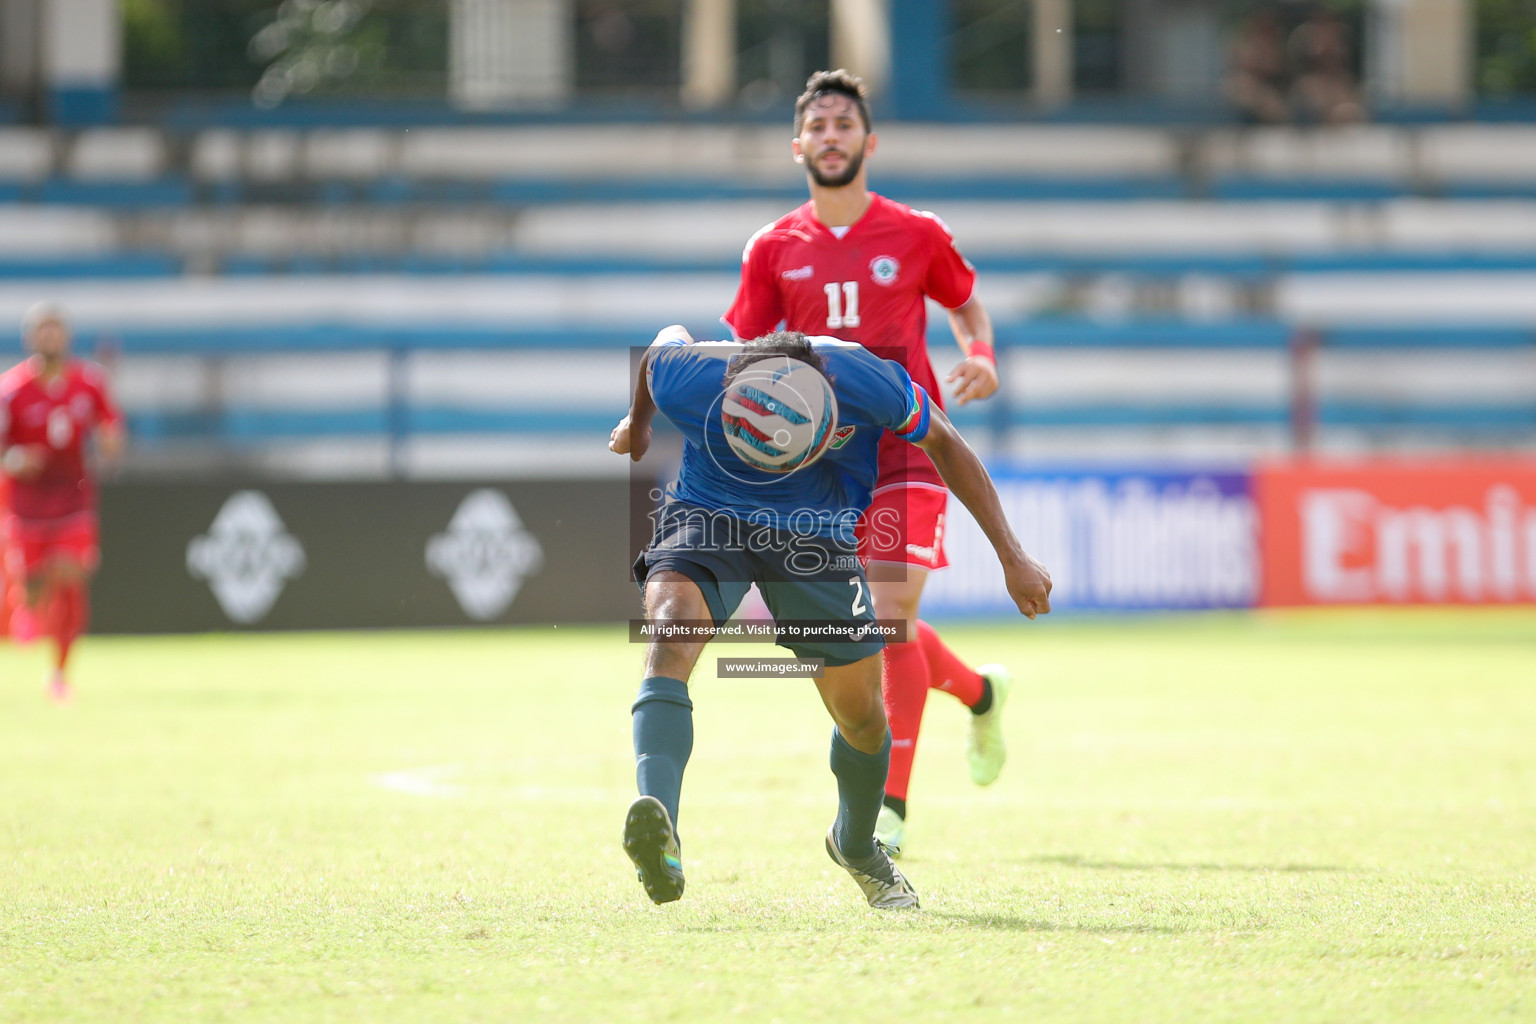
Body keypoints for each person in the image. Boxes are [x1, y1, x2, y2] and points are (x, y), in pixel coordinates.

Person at [609, 325, 1051, 910]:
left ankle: (857, 844)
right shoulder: (693, 376)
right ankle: (660, 820)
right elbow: (657, 350)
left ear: (826, 410)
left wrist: (1011, 554)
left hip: (814, 534)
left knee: (864, 717)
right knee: (670, 636)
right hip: (709, 513)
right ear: (730, 390)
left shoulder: (868, 380)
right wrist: (637, 421)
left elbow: (944, 442)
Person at [723, 69, 1008, 858]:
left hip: (912, 445)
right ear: (798, 147)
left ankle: (890, 809)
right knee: (879, 625)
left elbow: (965, 302)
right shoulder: (773, 248)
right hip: (822, 466)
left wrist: (979, 354)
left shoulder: (915, 232)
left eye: (844, 124)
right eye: (817, 126)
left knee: (887, 621)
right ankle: (981, 694)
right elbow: (745, 355)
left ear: (869, 142)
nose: (831, 136)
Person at [0, 303, 125, 702]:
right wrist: (15, 460)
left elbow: (110, 428)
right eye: (43, 330)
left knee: (72, 577)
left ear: (66, 336)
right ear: (31, 338)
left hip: (74, 496)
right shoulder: (11, 390)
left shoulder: (88, 383)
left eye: (56, 330)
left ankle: (59, 673)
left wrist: (109, 445)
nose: (50, 337)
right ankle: (23, 613)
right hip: (26, 502)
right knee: (33, 586)